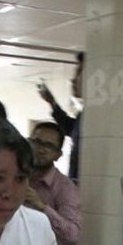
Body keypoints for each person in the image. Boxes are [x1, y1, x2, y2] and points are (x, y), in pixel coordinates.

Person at [38, 52, 84, 183]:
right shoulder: (85, 115)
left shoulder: (100, 117)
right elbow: (70, 128)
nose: (73, 80)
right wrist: (52, 102)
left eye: (79, 72)